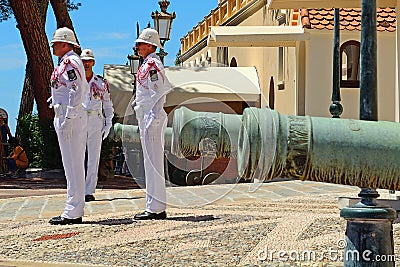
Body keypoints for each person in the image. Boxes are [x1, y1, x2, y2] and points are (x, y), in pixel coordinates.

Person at [48, 27, 88, 225]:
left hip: (70, 116)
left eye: (55, 43)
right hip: (63, 113)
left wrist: (69, 115)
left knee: (73, 165)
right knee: (69, 165)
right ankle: (72, 208)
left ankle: (73, 211)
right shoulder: (65, 62)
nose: (53, 46)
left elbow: (77, 89)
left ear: (65, 43)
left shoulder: (71, 62)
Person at [132, 28, 171, 220]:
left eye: (140, 43)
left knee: (153, 163)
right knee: (149, 163)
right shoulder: (147, 64)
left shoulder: (153, 65)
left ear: (150, 45)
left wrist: (153, 118)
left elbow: (158, 94)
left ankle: (155, 208)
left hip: (151, 117)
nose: (137, 46)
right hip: (146, 115)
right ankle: (154, 205)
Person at [80, 48, 114, 202]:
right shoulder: (75, 81)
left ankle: (89, 190)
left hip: (95, 120)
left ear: (93, 63)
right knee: (77, 156)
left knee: (94, 156)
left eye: (88, 61)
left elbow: (107, 104)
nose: (86, 64)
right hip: (79, 120)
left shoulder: (100, 82)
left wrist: (108, 123)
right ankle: (77, 188)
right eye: (83, 61)